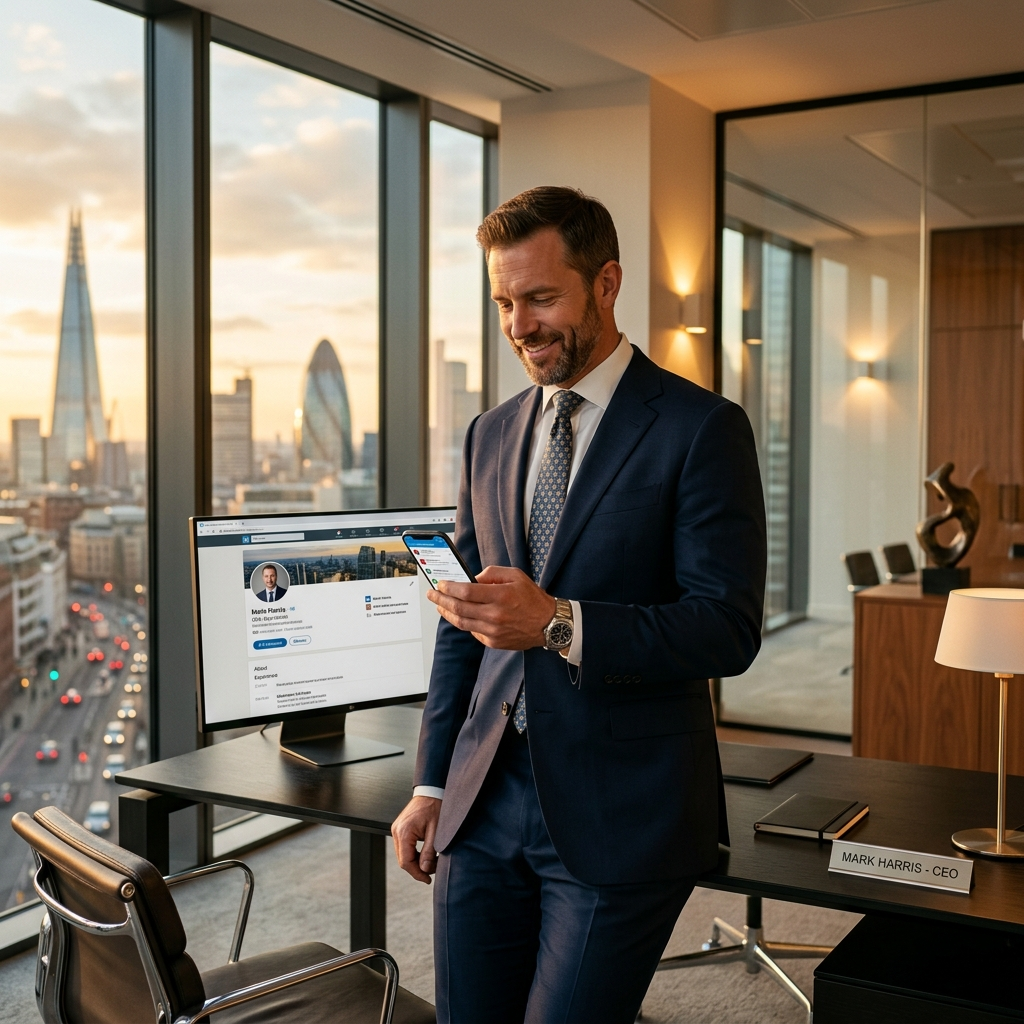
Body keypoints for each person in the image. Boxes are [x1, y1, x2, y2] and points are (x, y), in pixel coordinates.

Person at [392, 186, 766, 1024]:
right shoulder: (488, 433)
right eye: (503, 302)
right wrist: (430, 783)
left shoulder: (701, 429)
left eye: (541, 298)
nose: (519, 325)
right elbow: (468, 622)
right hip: (483, 799)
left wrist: (560, 623)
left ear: (607, 284)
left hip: (621, 806)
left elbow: (728, 626)